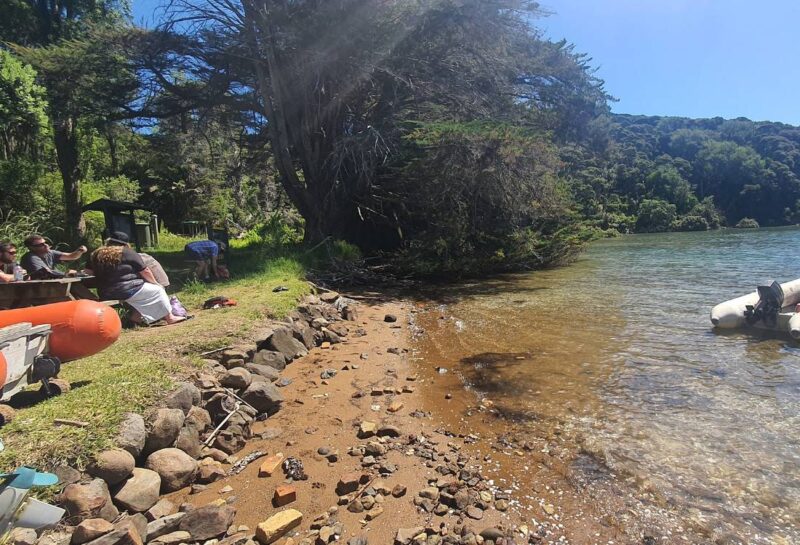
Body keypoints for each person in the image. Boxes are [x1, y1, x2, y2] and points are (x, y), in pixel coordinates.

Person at [85, 232, 187, 325]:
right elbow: (145, 271)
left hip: (105, 292)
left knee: (143, 296)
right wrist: (155, 283)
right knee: (158, 290)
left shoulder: (96, 254)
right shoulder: (127, 252)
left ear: (108, 241)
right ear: (125, 244)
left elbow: (88, 272)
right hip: (128, 289)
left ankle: (135, 319)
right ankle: (170, 318)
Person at [21, 234, 87, 280]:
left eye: (45, 242)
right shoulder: (31, 257)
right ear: (32, 248)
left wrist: (80, 251)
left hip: (50, 283)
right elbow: (47, 273)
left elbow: (71, 256)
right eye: (41, 245)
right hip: (36, 288)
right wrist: (67, 274)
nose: (46, 245)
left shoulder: (50, 252)